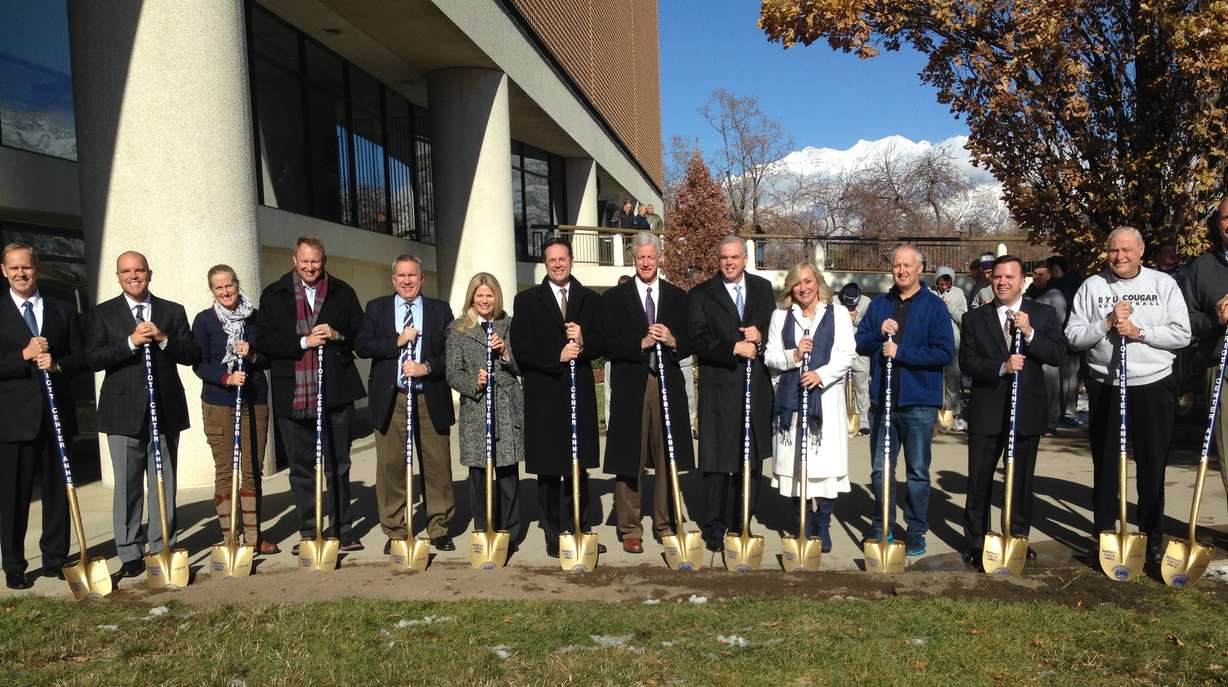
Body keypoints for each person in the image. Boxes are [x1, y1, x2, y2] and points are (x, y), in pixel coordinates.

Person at [1066, 226, 1191, 563]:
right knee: (1105, 463)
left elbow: (1182, 334)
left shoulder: (1162, 285)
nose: (1119, 257)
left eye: (1125, 250)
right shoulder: (1093, 287)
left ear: (1140, 251)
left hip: (1152, 383)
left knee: (1152, 464)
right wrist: (1105, 323)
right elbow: (1074, 337)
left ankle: (1151, 536)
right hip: (1107, 385)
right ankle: (1105, 534)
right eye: (1112, 251)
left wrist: (1140, 332)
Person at [86, 251, 199, 579]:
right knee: (127, 486)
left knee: (163, 483)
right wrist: (130, 342)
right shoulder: (103, 313)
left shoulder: (172, 311)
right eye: (126, 271)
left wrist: (164, 339)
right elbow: (92, 358)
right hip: (122, 412)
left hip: (164, 409)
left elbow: (192, 353)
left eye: (139, 270)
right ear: (118, 276)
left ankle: (161, 545)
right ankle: (129, 551)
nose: (133, 276)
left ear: (150, 273)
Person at [253, 237, 366, 553]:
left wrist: (337, 335)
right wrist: (303, 342)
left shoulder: (343, 292)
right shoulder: (274, 295)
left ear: (324, 260)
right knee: (302, 469)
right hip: (294, 394)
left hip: (336, 390)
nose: (310, 267)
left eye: (315, 261)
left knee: (338, 465)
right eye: (304, 261)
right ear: (294, 260)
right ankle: (309, 531)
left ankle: (343, 529)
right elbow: (264, 341)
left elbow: (361, 335)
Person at [958, 256, 1066, 570]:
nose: (1002, 282)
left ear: (1022, 281)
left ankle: (1017, 536)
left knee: (1020, 480)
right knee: (979, 479)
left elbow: (1058, 354)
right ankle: (977, 541)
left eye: (1009, 277)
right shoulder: (975, 318)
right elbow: (967, 361)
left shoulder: (1042, 314)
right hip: (987, 410)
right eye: (997, 277)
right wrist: (1000, 367)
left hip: (1027, 410)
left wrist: (1031, 334)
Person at [854, 244, 955, 557]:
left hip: (918, 405)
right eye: (897, 265)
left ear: (919, 269)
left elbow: (944, 352)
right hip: (882, 403)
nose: (901, 270)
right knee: (880, 471)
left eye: (907, 266)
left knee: (917, 473)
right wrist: (876, 334)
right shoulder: (879, 305)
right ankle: (881, 524)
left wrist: (903, 353)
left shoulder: (934, 307)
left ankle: (915, 530)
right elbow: (860, 344)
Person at [510, 237, 607, 558]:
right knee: (550, 470)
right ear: (545, 263)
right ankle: (555, 533)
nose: (557, 264)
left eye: (562, 258)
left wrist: (584, 339)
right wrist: (558, 355)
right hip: (545, 396)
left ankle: (578, 527)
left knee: (577, 467)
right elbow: (521, 351)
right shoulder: (526, 301)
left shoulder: (589, 300)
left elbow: (602, 345)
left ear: (571, 260)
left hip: (578, 396)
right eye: (551, 260)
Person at [355, 255, 456, 553]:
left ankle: (438, 527)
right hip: (392, 398)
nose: (407, 280)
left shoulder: (440, 310)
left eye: (412, 275)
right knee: (390, 466)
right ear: (393, 279)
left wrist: (427, 368)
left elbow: (452, 354)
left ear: (422, 278)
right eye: (401, 275)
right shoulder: (377, 308)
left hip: (428, 396)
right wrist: (395, 341)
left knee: (437, 464)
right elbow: (362, 345)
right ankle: (395, 531)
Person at [0, 242, 85, 589]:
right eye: (14, 268)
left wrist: (59, 363)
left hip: (56, 417)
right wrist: (23, 354)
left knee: (57, 492)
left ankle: (55, 558)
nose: (22, 274)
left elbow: (83, 358)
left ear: (38, 269)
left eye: (27, 267)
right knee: (13, 497)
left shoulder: (63, 308)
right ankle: (15, 565)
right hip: (13, 421)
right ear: (4, 271)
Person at [602, 232, 693, 553]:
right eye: (640, 257)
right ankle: (630, 528)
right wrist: (638, 343)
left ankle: (665, 523)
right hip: (631, 385)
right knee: (631, 456)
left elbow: (691, 340)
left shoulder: (678, 297)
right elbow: (605, 343)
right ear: (634, 259)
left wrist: (672, 340)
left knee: (668, 455)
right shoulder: (616, 298)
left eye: (650, 257)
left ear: (659, 259)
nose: (645, 262)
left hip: (666, 382)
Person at [689, 235, 774, 552]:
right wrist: (731, 347)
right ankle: (714, 526)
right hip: (719, 388)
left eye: (734, 257)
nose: (729, 262)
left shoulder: (763, 290)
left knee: (749, 460)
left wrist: (761, 337)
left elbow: (773, 332)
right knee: (717, 462)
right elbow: (696, 340)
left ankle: (742, 523)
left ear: (745, 259)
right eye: (724, 257)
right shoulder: (701, 295)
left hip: (755, 389)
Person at [765, 262, 858, 552]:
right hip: (790, 404)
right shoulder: (780, 316)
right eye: (797, 283)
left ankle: (822, 524)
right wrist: (793, 355)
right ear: (790, 288)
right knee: (794, 466)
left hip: (825, 402)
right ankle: (802, 521)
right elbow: (769, 357)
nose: (803, 288)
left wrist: (821, 375)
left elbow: (847, 354)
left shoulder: (838, 313)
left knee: (826, 466)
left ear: (817, 282)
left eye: (808, 281)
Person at [191, 265, 279, 556]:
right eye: (219, 288)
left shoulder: (254, 317)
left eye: (229, 286)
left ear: (237, 285)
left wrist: (252, 354)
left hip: (254, 400)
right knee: (226, 469)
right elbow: (198, 364)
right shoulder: (204, 321)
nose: (226, 292)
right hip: (219, 402)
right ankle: (230, 539)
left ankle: (253, 538)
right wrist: (225, 378)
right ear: (212, 291)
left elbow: (269, 358)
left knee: (252, 469)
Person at [445, 273, 524, 549]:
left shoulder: (508, 324)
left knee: (507, 474)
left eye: (489, 295)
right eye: (479, 295)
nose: (484, 300)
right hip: (477, 408)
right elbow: (452, 372)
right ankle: (484, 529)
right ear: (472, 297)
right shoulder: (458, 329)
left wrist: (505, 353)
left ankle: (510, 533)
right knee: (479, 475)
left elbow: (520, 366)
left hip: (505, 404)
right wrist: (473, 383)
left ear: (496, 297)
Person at [1184, 199, 1228, 527]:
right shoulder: (1202, 267)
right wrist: (1217, 319)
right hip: (1222, 366)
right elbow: (1187, 320)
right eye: (1227, 217)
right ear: (1218, 223)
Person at [1026, 264, 1068, 436]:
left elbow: (1058, 320)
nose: (1037, 277)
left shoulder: (1055, 295)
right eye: (1034, 274)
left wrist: (1033, 327)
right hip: (1030, 346)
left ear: (1049, 275)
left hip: (1048, 346)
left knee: (1051, 387)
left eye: (1041, 274)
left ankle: (1051, 423)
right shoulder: (1028, 294)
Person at [1047, 255, 1083, 426]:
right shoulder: (1056, 285)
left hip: (1069, 338)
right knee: (1063, 378)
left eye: (1053, 270)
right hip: (1059, 339)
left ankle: (1068, 412)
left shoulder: (1071, 286)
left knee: (1069, 377)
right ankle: (1064, 412)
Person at [932, 266, 968, 432]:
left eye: (948, 280)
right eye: (942, 280)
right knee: (936, 379)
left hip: (954, 343)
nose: (944, 284)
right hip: (933, 343)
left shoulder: (958, 294)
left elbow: (964, 319)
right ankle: (935, 416)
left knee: (953, 379)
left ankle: (953, 415)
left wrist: (950, 308)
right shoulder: (929, 294)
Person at [839, 282, 871, 435]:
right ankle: (841, 419)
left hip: (861, 351)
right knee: (840, 386)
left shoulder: (867, 303)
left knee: (862, 387)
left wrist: (856, 320)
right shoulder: (834, 302)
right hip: (840, 351)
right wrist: (845, 317)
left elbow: (870, 325)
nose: (852, 307)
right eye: (848, 305)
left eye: (854, 305)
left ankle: (863, 421)